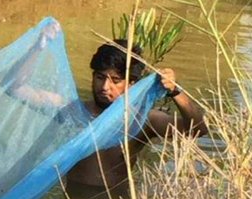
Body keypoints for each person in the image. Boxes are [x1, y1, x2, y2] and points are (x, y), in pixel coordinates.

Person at [67, 39, 208, 189]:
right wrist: (38, 48)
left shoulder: (141, 120)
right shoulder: (75, 112)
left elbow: (198, 129)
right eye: (100, 77)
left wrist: (176, 91)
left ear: (132, 84)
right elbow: (39, 98)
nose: (105, 87)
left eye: (115, 80)